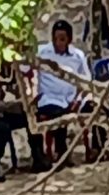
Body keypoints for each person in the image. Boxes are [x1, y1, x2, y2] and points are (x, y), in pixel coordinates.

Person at [32, 20, 90, 167]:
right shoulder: (42, 53)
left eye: (62, 39)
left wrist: (78, 99)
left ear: (69, 39)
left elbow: (86, 81)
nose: (58, 42)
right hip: (50, 98)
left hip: (73, 98)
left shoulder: (78, 56)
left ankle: (96, 149)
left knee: (94, 107)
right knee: (58, 113)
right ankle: (61, 152)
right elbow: (32, 74)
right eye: (55, 38)